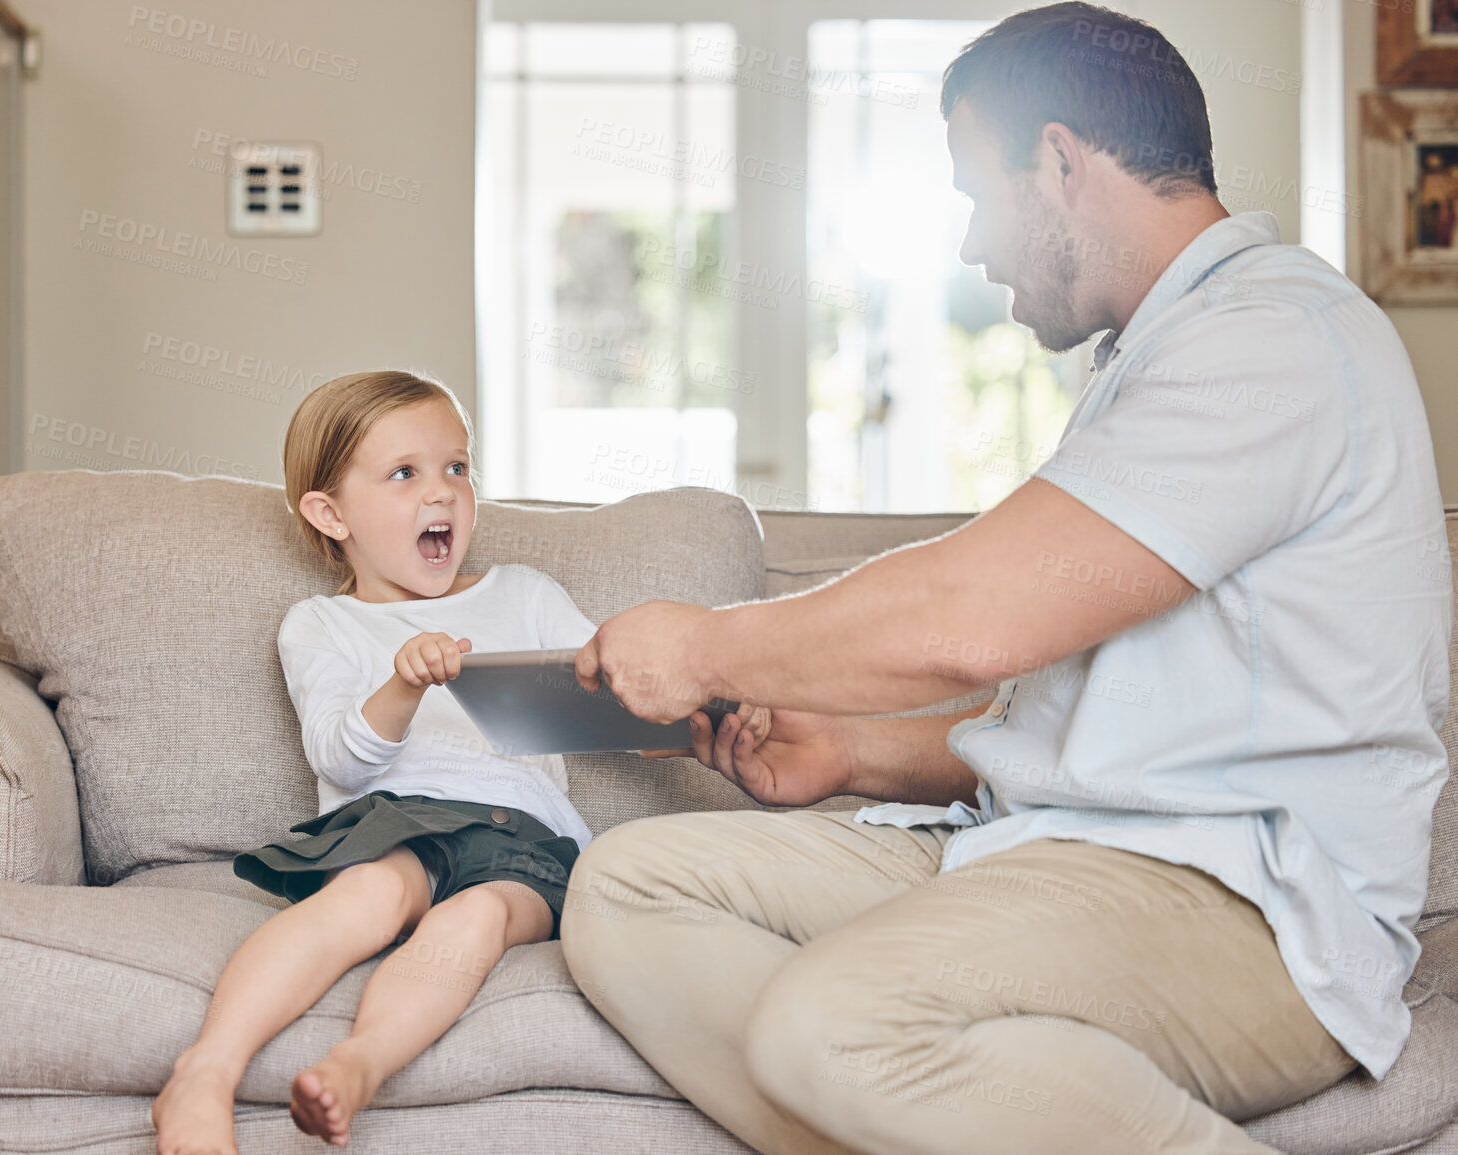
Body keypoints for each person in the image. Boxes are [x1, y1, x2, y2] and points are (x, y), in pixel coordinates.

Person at [563, 4, 1451, 1154]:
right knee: (629, 889)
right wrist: (853, 751)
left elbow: (969, 620)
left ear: (1060, 159)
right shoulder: (1155, 357)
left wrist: (704, 648)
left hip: (1246, 904)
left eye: (977, 195)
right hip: (1058, 855)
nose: (977, 249)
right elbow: (1109, 727)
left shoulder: (1270, 341)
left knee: (832, 1027)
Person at [152, 370, 598, 1152]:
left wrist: (700, 705)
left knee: (483, 915)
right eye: (405, 473)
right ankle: (204, 1073)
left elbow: (609, 691)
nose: (442, 493)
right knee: (368, 891)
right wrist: (401, 681)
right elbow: (339, 755)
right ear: (331, 513)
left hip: (526, 839)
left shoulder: (522, 593)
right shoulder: (322, 623)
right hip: (396, 819)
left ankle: (358, 1064)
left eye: (456, 467)